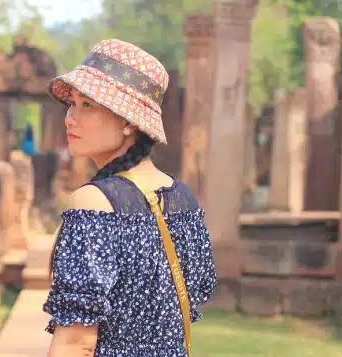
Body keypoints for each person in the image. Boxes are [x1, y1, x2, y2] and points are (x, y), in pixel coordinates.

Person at [42, 39, 217, 357]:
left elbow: (76, 340)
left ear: (128, 122)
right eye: (72, 104)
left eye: (88, 106)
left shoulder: (95, 203)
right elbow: (197, 293)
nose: (70, 118)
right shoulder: (185, 203)